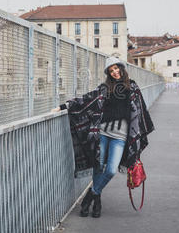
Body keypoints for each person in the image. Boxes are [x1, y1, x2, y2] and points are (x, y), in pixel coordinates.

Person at [51, 56, 154, 218]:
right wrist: (62, 106)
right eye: (111, 70)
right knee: (98, 168)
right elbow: (85, 100)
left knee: (111, 170)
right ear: (108, 73)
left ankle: (90, 196)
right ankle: (96, 203)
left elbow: (141, 111)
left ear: (122, 68)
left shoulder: (133, 87)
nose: (115, 72)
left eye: (116, 68)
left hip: (120, 137)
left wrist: (138, 135)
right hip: (103, 135)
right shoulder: (105, 88)